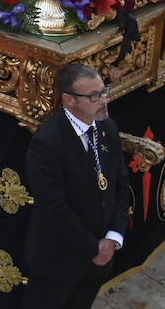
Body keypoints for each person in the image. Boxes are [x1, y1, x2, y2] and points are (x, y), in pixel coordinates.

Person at [24, 64, 130, 308]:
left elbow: (120, 184)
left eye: (104, 91)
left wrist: (113, 237)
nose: (103, 100)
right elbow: (54, 208)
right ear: (69, 100)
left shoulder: (107, 127)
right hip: (59, 261)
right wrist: (93, 247)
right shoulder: (48, 142)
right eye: (94, 96)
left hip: (100, 256)